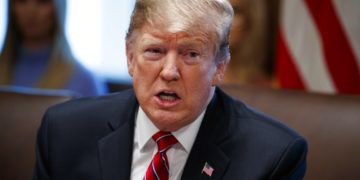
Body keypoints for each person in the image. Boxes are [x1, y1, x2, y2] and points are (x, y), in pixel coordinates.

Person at [33, 0, 307, 179]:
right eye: (154, 51)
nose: (169, 71)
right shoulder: (65, 133)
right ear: (130, 57)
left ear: (220, 66)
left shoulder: (273, 158)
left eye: (190, 54)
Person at [0, 0, 107, 97]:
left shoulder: (84, 82)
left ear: (58, 8)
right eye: (22, 1)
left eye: (43, 2)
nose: (31, 11)